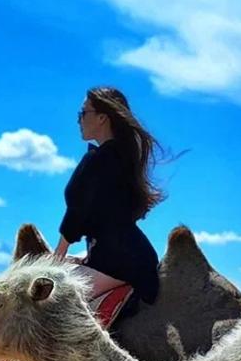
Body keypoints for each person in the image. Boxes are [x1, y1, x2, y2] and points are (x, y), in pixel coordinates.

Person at [54, 87, 163, 304]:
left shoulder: (101, 159)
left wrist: (58, 256)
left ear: (102, 117)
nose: (79, 120)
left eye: (83, 113)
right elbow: (105, 218)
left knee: (52, 301)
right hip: (123, 257)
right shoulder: (120, 158)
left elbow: (78, 212)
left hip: (118, 262)